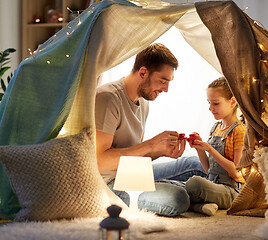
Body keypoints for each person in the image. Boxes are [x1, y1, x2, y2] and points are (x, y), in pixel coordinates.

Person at [95, 43, 205, 217]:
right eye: (163, 81)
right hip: (110, 184)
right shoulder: (108, 98)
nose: (166, 89)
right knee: (178, 198)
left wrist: (160, 151)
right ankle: (191, 194)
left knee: (195, 165)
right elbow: (99, 161)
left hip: (133, 173)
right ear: (143, 72)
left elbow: (135, 157)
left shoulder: (143, 101)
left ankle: (193, 192)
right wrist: (151, 144)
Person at [185, 77, 246, 216]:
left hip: (231, 190)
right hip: (213, 183)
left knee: (194, 184)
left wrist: (210, 149)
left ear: (232, 101)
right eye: (209, 103)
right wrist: (199, 148)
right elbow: (208, 170)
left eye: (216, 103)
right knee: (173, 185)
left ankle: (196, 205)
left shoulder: (239, 131)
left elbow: (237, 172)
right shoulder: (215, 128)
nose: (210, 108)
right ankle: (201, 206)